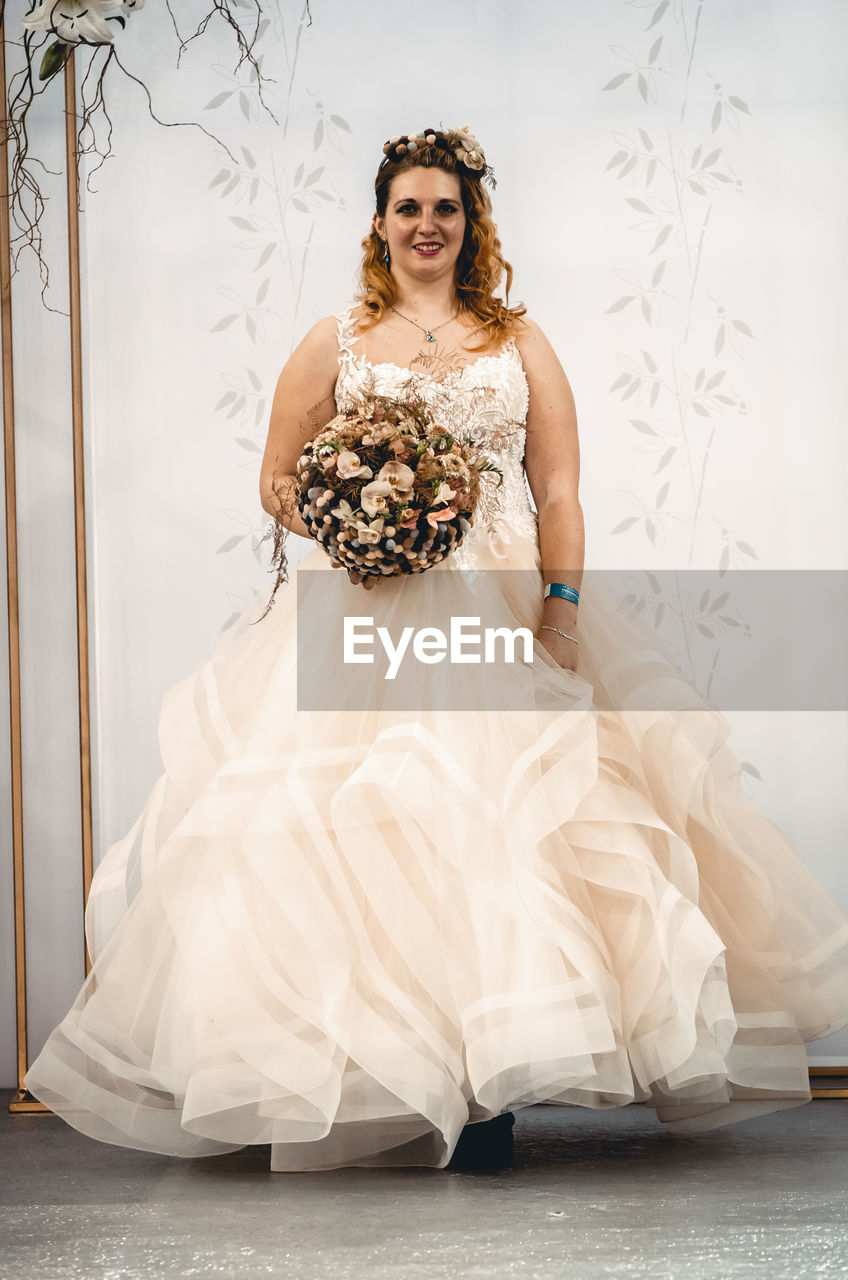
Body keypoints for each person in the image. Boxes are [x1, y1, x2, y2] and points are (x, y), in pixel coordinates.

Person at [24, 126, 848, 1173]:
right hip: (364, 614)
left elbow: (556, 488)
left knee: (508, 826)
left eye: (445, 209)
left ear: (470, 223)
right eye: (407, 207)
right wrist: (350, 513)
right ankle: (384, 1074)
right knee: (362, 835)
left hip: (497, 609)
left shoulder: (518, 341)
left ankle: (489, 1078)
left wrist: (557, 608)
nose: (426, 225)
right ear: (378, 222)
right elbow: (277, 479)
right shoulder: (335, 341)